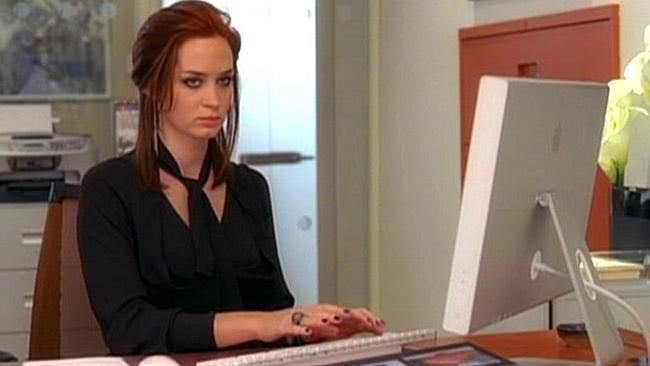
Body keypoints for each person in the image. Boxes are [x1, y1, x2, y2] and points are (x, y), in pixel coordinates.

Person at [77, 0, 384, 355]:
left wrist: (311, 329)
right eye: (194, 82)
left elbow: (275, 314)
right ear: (151, 87)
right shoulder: (108, 188)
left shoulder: (250, 188)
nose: (215, 100)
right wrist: (264, 324)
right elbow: (130, 329)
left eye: (224, 81)